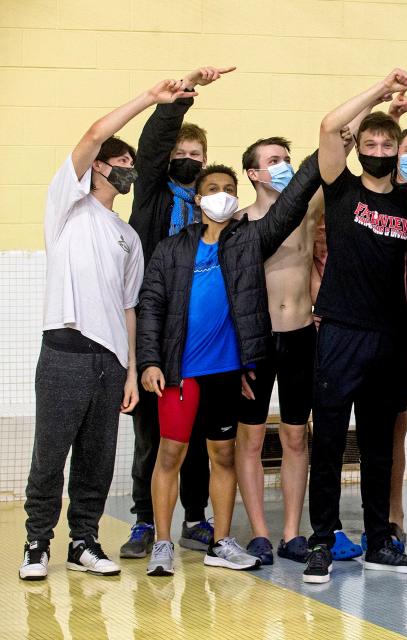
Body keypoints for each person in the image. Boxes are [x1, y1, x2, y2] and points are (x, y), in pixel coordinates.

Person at [19, 79, 183, 581]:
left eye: (134, 165)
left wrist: (132, 371)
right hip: (64, 351)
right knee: (50, 455)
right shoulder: (66, 208)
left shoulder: (128, 237)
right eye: (123, 163)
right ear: (99, 167)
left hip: (110, 362)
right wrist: (150, 100)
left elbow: (129, 308)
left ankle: (83, 542)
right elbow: (94, 133)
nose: (131, 171)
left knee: (98, 459)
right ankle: (37, 543)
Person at [137, 152, 322, 576]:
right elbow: (151, 307)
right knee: (170, 455)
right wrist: (149, 361)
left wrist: (328, 145)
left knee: (223, 456)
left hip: (226, 373)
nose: (221, 196)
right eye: (212, 190)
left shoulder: (248, 241)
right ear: (198, 200)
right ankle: (162, 543)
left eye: (228, 189)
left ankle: (221, 542)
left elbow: (292, 202)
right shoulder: (171, 250)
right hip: (180, 375)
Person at [303, 68, 407, 585]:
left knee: (380, 445)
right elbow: (331, 126)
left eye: (386, 142)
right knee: (328, 441)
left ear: (398, 149)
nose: (376, 147)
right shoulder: (341, 187)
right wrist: (383, 89)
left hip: (391, 338)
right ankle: (322, 541)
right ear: (360, 149)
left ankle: (380, 540)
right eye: (369, 141)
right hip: (340, 331)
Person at [123, 65, 235, 560]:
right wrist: (180, 99)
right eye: (181, 155)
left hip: (205, 340)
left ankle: (195, 516)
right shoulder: (152, 196)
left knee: (196, 433)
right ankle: (146, 521)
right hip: (155, 326)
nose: (188, 161)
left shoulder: (213, 209)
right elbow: (150, 149)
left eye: (197, 156)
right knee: (154, 434)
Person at [233, 136, 319, 566]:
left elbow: (331, 154)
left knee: (295, 435)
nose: (283, 166)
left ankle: (291, 532)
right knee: (249, 439)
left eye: (287, 159)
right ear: (253, 173)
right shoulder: (238, 222)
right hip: (257, 342)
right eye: (273, 161)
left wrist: (385, 109)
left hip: (301, 332)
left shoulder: (306, 211)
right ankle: (260, 534)